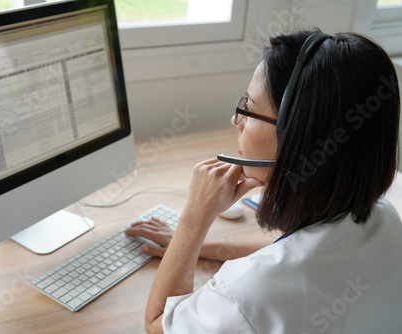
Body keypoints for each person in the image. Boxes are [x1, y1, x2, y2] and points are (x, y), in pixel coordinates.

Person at [125, 29, 402, 333]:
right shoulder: (385, 218)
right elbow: (296, 249)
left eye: (249, 108)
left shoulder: (247, 296)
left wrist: (194, 217)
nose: (236, 120)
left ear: (296, 136)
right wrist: (190, 245)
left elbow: (158, 325)